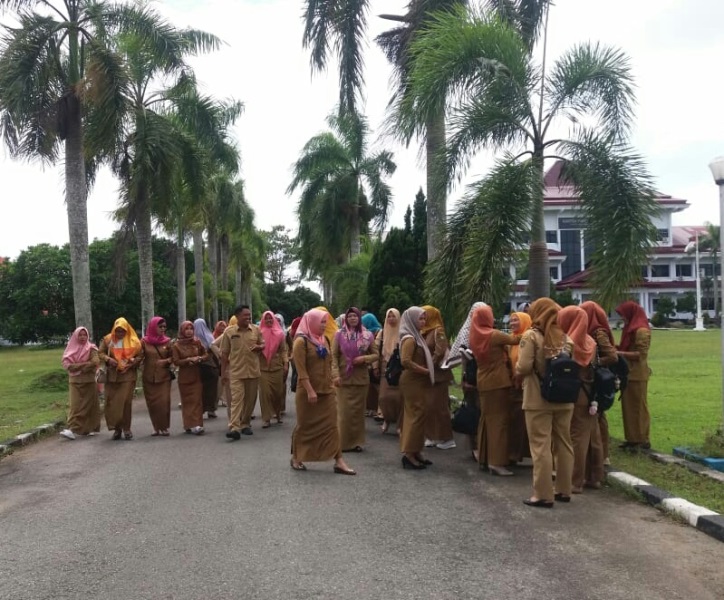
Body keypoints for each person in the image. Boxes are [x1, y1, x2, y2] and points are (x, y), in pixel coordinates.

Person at [515, 298, 574, 508]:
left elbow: (523, 367)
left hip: (537, 399)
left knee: (541, 446)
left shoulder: (531, 335)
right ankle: (564, 490)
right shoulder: (565, 337)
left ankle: (542, 494)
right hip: (565, 399)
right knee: (564, 444)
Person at [290, 308, 356, 475]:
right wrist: (310, 390)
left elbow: (330, 361)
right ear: (311, 322)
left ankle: (339, 460)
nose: (324, 325)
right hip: (308, 393)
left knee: (332, 426)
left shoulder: (324, 339)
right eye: (321, 322)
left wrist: (334, 378)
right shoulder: (300, 342)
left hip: (326, 391)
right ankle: (297, 457)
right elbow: (301, 370)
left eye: (325, 322)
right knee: (306, 426)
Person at [558, 305, 610, 493]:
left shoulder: (569, 342)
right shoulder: (589, 341)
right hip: (591, 394)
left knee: (576, 438)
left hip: (576, 393)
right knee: (593, 436)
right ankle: (595, 477)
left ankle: (575, 480)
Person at [469, 305, 521, 476]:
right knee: (499, 423)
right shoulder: (494, 335)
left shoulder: (474, 335)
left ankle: (484, 457)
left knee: (486, 420)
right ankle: (497, 463)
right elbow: (516, 340)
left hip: (483, 382)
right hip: (498, 383)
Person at [332, 307, 378, 452]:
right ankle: (343, 443)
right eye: (350, 316)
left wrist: (364, 358)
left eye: (355, 316)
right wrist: (335, 375)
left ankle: (357, 442)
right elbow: (333, 356)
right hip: (343, 378)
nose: (352, 318)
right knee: (344, 413)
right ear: (346, 318)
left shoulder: (367, 335)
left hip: (361, 379)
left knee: (358, 413)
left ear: (359, 318)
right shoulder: (339, 334)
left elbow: (376, 355)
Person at [580, 301, 618, 465]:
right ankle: (599, 455)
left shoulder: (598, 332)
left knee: (599, 417)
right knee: (596, 416)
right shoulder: (591, 330)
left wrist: (594, 362)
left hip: (599, 379)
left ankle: (603, 455)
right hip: (595, 378)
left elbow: (612, 356)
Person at [398, 306, 435, 470]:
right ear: (412, 320)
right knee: (415, 415)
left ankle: (416, 451)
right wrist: (425, 370)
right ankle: (408, 454)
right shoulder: (410, 339)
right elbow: (405, 361)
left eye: (424, 318)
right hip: (412, 381)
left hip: (418, 381)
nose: (423, 321)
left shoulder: (416, 336)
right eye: (420, 318)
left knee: (420, 415)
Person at [221, 305, 264, 440]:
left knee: (250, 400)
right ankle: (234, 427)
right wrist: (223, 373)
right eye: (245, 315)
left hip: (253, 371)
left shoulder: (256, 330)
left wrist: (259, 347)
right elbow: (224, 354)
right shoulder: (229, 332)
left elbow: (263, 344)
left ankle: (245, 424)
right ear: (237, 316)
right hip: (236, 372)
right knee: (236, 400)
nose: (248, 317)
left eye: (249, 315)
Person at [615, 300, 652, 450]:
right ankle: (632, 439)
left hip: (637, 374)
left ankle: (642, 440)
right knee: (628, 408)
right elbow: (627, 347)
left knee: (638, 408)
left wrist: (619, 353)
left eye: (623, 315)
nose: (622, 318)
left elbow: (640, 354)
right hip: (628, 373)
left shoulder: (641, 330)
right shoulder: (631, 329)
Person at [98, 318, 142, 440]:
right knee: (112, 404)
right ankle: (117, 429)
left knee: (125, 404)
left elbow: (140, 356)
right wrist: (108, 359)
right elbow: (100, 353)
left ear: (127, 330)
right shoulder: (108, 340)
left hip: (128, 376)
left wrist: (132, 363)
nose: (120, 334)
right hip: (112, 377)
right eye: (118, 331)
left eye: (123, 331)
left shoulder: (134, 342)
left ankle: (127, 429)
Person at [421, 305, 455, 450]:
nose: (422, 318)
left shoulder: (438, 330)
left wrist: (430, 364)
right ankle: (432, 436)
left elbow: (440, 350)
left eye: (425, 315)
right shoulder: (424, 331)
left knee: (439, 407)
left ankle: (446, 437)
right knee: (429, 406)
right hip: (428, 374)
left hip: (438, 375)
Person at [59, 327, 101, 440]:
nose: (83, 337)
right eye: (80, 335)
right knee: (75, 405)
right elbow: (67, 365)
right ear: (76, 336)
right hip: (74, 381)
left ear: (88, 336)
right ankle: (73, 428)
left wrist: (78, 366)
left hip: (89, 381)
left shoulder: (91, 348)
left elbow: (95, 362)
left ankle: (87, 428)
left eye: (85, 335)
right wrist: (84, 365)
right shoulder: (70, 349)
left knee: (89, 405)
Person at [172, 320, 208, 435]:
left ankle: (198, 425)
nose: (189, 331)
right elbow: (176, 361)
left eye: (191, 329)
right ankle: (188, 424)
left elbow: (206, 354)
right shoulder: (176, 345)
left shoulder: (197, 342)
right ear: (182, 331)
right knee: (187, 402)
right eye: (186, 329)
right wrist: (187, 360)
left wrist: (199, 359)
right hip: (184, 378)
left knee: (197, 401)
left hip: (196, 376)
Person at [141, 316, 174, 436]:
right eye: (160, 327)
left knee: (164, 403)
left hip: (164, 377)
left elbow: (174, 357)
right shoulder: (144, 342)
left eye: (164, 327)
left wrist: (165, 362)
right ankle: (156, 427)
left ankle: (164, 427)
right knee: (153, 404)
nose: (163, 329)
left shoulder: (168, 341)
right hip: (148, 377)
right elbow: (140, 356)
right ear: (153, 327)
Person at [507, 311, 532, 464]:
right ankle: (516, 453)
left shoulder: (528, 338)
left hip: (523, 385)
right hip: (513, 384)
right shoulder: (511, 339)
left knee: (521, 421)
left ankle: (518, 453)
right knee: (516, 421)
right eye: (511, 320)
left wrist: (518, 377)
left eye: (516, 320)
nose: (512, 323)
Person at [259, 310, 289, 427]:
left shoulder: (280, 334)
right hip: (263, 368)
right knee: (265, 394)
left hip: (277, 367)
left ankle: (277, 413)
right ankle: (266, 418)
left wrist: (285, 363)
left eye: (270, 318)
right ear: (263, 320)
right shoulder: (258, 333)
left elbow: (283, 351)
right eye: (266, 319)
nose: (269, 320)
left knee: (278, 393)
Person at [377, 308, 402, 435]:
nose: (391, 319)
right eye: (389, 317)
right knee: (384, 397)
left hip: (399, 368)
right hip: (385, 367)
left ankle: (399, 424)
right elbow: (376, 349)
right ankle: (386, 419)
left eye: (394, 316)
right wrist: (375, 366)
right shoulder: (382, 333)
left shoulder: (403, 332)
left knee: (399, 398)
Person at [194, 318, 220, 419]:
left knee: (200, 390)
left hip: (197, 367)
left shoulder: (192, 338)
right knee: (212, 390)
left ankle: (200, 410)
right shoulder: (209, 336)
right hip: (210, 367)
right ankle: (211, 410)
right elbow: (216, 351)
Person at [361, 312, 383, 418]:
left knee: (377, 388)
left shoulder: (378, 332)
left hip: (375, 364)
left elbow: (376, 352)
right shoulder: (366, 333)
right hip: (370, 364)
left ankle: (379, 410)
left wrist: (374, 366)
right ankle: (373, 409)